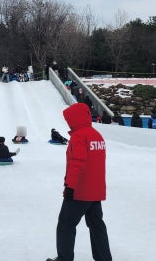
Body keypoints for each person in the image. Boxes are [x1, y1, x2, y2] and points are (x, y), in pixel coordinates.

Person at [46, 103, 112, 261]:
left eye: (69, 119)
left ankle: (64, 258)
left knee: (65, 224)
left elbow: (77, 163)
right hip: (95, 190)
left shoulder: (79, 137)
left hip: (80, 191)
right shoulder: (97, 135)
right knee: (96, 225)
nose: (68, 123)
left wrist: (70, 186)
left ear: (75, 118)